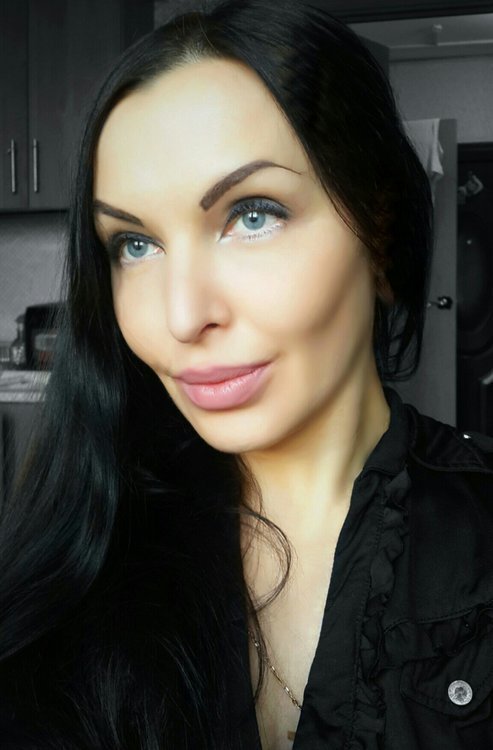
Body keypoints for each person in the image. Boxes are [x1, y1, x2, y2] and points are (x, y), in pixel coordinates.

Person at [1, 1, 493, 748]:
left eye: (252, 215)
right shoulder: (81, 552)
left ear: (381, 238)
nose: (181, 316)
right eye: (134, 244)